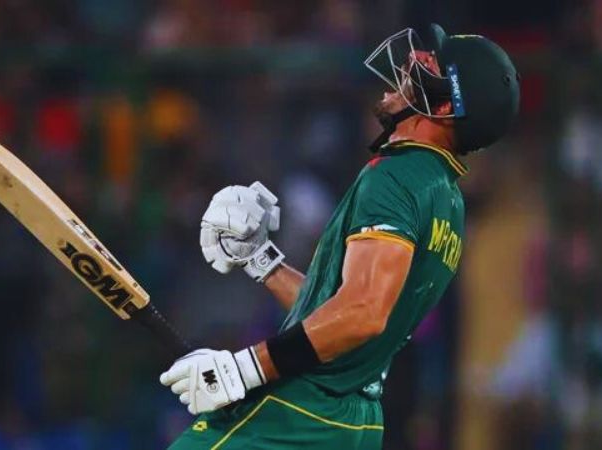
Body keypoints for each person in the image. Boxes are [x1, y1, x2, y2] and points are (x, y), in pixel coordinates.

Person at [159, 24, 520, 449]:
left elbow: (363, 312)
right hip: (356, 424)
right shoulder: (447, 199)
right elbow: (339, 313)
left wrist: (245, 368)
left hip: (302, 411)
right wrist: (262, 260)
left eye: (432, 65)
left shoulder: (398, 176)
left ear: (445, 105)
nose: (412, 60)